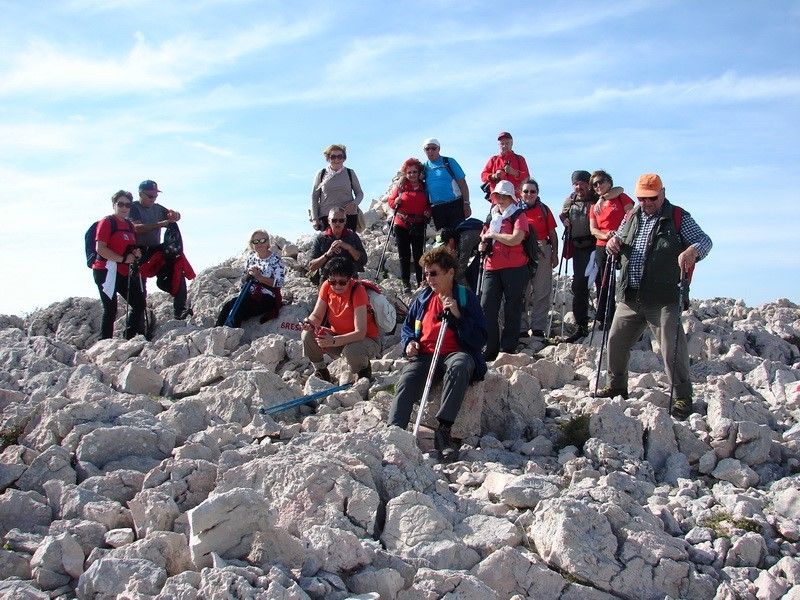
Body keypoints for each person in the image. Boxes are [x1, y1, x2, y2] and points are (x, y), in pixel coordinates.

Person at [595, 173, 712, 421]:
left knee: (671, 347)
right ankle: (616, 386)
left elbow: (705, 240)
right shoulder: (631, 216)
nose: (646, 203)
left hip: (663, 297)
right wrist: (613, 242)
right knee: (615, 341)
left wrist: (692, 251)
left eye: (652, 198)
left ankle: (682, 397)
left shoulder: (678, 216)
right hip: (630, 295)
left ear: (663, 193)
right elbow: (619, 237)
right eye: (642, 198)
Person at [388, 247, 488, 462]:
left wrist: (458, 316)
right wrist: (409, 342)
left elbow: (480, 338)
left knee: (460, 365)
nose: (428, 278)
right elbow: (408, 327)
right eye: (426, 274)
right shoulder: (422, 298)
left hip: (456, 352)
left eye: (433, 273)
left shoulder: (465, 297)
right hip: (425, 354)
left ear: (450, 272)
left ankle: (444, 431)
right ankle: (394, 433)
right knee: (407, 378)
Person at [300, 256, 381, 382]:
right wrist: (308, 323)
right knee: (307, 334)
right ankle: (321, 371)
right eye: (333, 282)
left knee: (352, 351)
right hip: (337, 337)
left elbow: (360, 332)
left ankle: (363, 371)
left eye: (342, 282)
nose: (337, 286)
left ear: (350, 279)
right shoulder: (326, 286)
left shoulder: (358, 291)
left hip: (365, 340)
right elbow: (317, 316)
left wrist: (333, 341)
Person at [478, 180, 530, 360]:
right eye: (497, 195)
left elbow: (516, 239)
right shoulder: (491, 216)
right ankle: (490, 348)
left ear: (511, 198)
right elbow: (484, 236)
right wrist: (483, 244)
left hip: (515, 267)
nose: (500, 199)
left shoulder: (518, 215)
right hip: (491, 266)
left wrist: (494, 235)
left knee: (512, 307)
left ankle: (508, 347)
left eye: (504, 196)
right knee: (486, 306)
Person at [130, 180, 191, 319]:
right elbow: (136, 228)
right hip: (138, 250)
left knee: (177, 268)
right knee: (140, 286)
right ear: (141, 194)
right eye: (150, 196)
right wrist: (160, 224)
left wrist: (175, 215)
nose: (153, 199)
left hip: (155, 249)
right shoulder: (133, 208)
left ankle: (180, 310)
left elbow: (176, 216)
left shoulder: (157, 208)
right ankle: (138, 321)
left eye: (155, 196)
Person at [91, 190, 144, 340]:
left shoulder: (129, 225)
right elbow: (100, 248)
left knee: (139, 304)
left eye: (128, 205)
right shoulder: (107, 222)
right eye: (120, 204)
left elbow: (130, 246)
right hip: (105, 271)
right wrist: (123, 259)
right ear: (114, 205)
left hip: (122, 271)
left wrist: (136, 253)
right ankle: (105, 343)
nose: (124, 208)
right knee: (110, 309)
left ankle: (128, 338)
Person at [589, 170, 634, 328]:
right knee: (603, 281)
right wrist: (606, 235)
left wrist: (619, 234)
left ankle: (629, 315)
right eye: (594, 184)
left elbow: (632, 216)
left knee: (627, 277)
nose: (598, 186)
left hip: (624, 242)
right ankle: (605, 317)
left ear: (609, 182)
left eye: (601, 182)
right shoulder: (594, 206)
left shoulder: (621, 197)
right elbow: (593, 229)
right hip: (602, 244)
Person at [216, 229, 285, 327]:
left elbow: (279, 283)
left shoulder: (276, 259)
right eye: (255, 241)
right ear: (252, 244)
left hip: (268, 297)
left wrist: (259, 277)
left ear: (268, 242)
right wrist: (248, 275)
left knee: (240, 308)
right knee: (229, 305)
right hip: (249, 294)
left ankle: (233, 332)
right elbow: (242, 281)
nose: (259, 244)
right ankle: (217, 330)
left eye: (262, 240)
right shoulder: (251, 259)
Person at [560, 170, 597, 342]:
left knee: (602, 283)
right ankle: (581, 325)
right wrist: (564, 220)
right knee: (579, 285)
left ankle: (605, 321)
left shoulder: (598, 198)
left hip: (597, 246)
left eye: (582, 183)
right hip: (578, 248)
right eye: (575, 183)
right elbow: (563, 215)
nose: (578, 186)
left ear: (588, 184)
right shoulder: (570, 200)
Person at [519, 179, 559, 338]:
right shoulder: (515, 210)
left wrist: (555, 254)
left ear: (537, 193)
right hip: (521, 250)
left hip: (542, 249)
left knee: (542, 289)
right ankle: (521, 327)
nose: (529, 194)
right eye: (526, 191)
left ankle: (538, 328)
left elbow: (553, 234)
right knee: (522, 290)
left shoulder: (544, 209)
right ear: (520, 193)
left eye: (532, 191)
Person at [387, 158, 431, 292]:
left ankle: (420, 282)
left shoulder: (425, 187)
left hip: (419, 223)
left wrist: (428, 212)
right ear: (405, 173)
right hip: (401, 223)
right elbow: (390, 201)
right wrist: (396, 201)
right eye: (409, 172)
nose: (412, 175)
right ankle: (406, 283)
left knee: (419, 254)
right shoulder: (401, 186)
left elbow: (429, 204)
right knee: (404, 254)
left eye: (414, 172)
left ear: (419, 173)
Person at [310, 144, 364, 232]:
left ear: (344, 158)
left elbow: (359, 193)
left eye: (340, 156)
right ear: (328, 158)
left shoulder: (350, 173)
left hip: (348, 216)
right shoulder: (321, 174)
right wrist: (315, 218)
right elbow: (314, 197)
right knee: (327, 241)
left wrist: (354, 204)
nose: (337, 159)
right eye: (333, 157)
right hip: (327, 217)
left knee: (348, 241)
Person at [307, 207, 368, 285]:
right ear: (329, 221)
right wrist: (327, 254)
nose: (337, 223)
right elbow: (311, 267)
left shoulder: (353, 236)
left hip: (350, 281)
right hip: (328, 282)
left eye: (341, 220)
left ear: (345, 221)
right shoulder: (321, 238)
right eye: (334, 220)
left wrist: (349, 248)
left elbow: (363, 261)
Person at [422, 138, 471, 230]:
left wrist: (466, 203)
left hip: (455, 204)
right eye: (427, 149)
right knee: (443, 236)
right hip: (437, 208)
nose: (430, 151)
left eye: (433, 148)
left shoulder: (449, 161)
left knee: (458, 234)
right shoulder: (423, 167)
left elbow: (462, 183)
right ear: (424, 151)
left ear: (439, 149)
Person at [480, 131, 530, 199]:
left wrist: (514, 172)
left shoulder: (520, 159)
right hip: (497, 199)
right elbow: (483, 176)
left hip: (515, 199)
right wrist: (494, 176)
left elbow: (527, 177)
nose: (504, 146)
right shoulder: (493, 159)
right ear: (499, 145)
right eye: (502, 144)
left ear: (511, 144)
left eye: (507, 143)